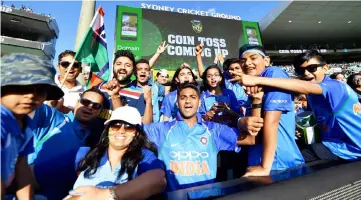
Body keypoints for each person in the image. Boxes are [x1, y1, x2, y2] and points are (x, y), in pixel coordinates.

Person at [232, 49, 361, 162]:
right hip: (331, 144)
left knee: (292, 157)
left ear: (326, 68)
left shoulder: (336, 86)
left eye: (312, 68)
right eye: (301, 70)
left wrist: (257, 79)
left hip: (349, 148)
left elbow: (307, 87)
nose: (306, 73)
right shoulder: (312, 94)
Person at [144, 83, 263, 191]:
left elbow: (251, 139)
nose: (188, 101)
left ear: (200, 102)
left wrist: (256, 102)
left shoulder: (214, 130)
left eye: (193, 97)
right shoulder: (160, 130)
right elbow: (130, 131)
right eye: (183, 98)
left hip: (208, 196)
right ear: (177, 103)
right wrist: (148, 101)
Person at [1, 53, 64, 199]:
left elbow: (22, 168)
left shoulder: (25, 125)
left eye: (40, 90)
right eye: (21, 86)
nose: (31, 95)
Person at [68, 106, 166, 200]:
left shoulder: (143, 156)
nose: (121, 131)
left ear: (136, 133)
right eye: (116, 125)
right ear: (108, 129)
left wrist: (106, 195)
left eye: (129, 127)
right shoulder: (85, 153)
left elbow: (159, 179)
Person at [235, 44, 305, 176]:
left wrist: (264, 167)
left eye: (253, 58)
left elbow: (272, 121)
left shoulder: (273, 73)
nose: (247, 63)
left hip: (278, 164)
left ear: (266, 60)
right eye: (243, 61)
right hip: (260, 161)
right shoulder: (255, 85)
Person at [28, 88, 105, 199]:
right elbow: (30, 105)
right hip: (23, 184)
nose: (90, 107)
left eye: (96, 106)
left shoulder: (93, 140)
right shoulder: (53, 117)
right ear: (77, 102)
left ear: (99, 111)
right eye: (86, 102)